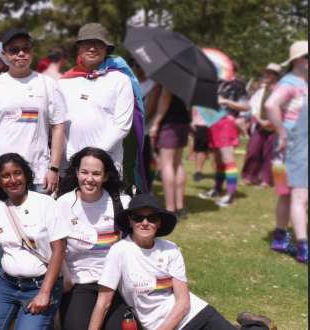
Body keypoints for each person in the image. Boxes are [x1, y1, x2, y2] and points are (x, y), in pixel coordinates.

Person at [88, 194, 277, 330]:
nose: (145, 223)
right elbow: (103, 301)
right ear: (130, 220)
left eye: (152, 217)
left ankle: (258, 323)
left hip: (197, 314)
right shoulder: (119, 251)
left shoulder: (170, 249)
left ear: (159, 222)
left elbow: (184, 302)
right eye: (138, 217)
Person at [0, 153, 70, 330]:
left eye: (17, 173)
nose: (13, 180)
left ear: (26, 175)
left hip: (41, 284)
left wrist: (45, 292)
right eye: (5, 175)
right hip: (6, 285)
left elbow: (59, 251)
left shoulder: (45, 203)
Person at [0, 28, 67, 195]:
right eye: (14, 49)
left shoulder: (48, 84)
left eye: (26, 48)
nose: (21, 53)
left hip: (38, 177)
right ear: (4, 55)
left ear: (32, 52)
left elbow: (58, 127)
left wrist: (54, 168)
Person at [55, 147, 130, 330]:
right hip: (79, 283)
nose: (89, 179)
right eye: (84, 172)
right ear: (77, 172)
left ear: (105, 177)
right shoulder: (62, 204)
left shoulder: (122, 203)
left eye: (97, 174)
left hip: (114, 283)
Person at [59, 23, 135, 179]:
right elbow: (56, 125)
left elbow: (122, 125)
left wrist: (92, 159)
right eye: (87, 43)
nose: (92, 48)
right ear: (78, 47)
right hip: (69, 166)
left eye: (98, 44)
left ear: (106, 49)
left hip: (107, 165)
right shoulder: (62, 83)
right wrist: (74, 158)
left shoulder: (120, 80)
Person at [264, 40, 308, 263]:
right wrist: (282, 134)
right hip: (292, 147)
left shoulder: (303, 83)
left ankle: (280, 238)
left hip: (292, 147)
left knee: (286, 194)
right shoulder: (291, 82)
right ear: (299, 61)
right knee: (301, 197)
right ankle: (304, 248)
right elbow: (271, 105)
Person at [197, 69, 250, 206]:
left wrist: (225, 101)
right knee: (219, 160)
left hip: (226, 124)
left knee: (228, 159)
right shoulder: (217, 83)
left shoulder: (236, 84)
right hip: (213, 123)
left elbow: (245, 106)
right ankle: (218, 189)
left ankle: (231, 196)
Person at [149, 86, 190, 219]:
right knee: (177, 164)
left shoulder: (170, 76)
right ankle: (180, 208)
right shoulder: (186, 75)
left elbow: (166, 98)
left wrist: (156, 123)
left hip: (170, 122)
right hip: (183, 120)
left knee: (166, 164)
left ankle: (170, 209)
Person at [241, 63, 282, 188]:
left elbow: (283, 109)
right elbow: (254, 107)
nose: (266, 75)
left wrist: (270, 122)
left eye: (269, 73)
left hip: (276, 126)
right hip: (260, 124)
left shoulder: (282, 90)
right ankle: (250, 177)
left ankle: (266, 180)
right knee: (253, 151)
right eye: (266, 72)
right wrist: (260, 120)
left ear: (276, 75)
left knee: (270, 154)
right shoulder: (261, 90)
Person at [129, 58, 157, 189]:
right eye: (132, 64)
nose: (134, 67)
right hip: (128, 131)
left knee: (144, 164)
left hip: (143, 131)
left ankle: (147, 190)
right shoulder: (128, 82)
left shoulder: (153, 86)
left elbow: (150, 112)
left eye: (138, 65)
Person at [190, 106, 210, 182]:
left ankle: (217, 173)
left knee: (215, 151)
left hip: (214, 123)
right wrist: (193, 120)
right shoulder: (199, 95)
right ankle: (198, 173)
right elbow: (194, 106)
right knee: (201, 150)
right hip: (200, 123)